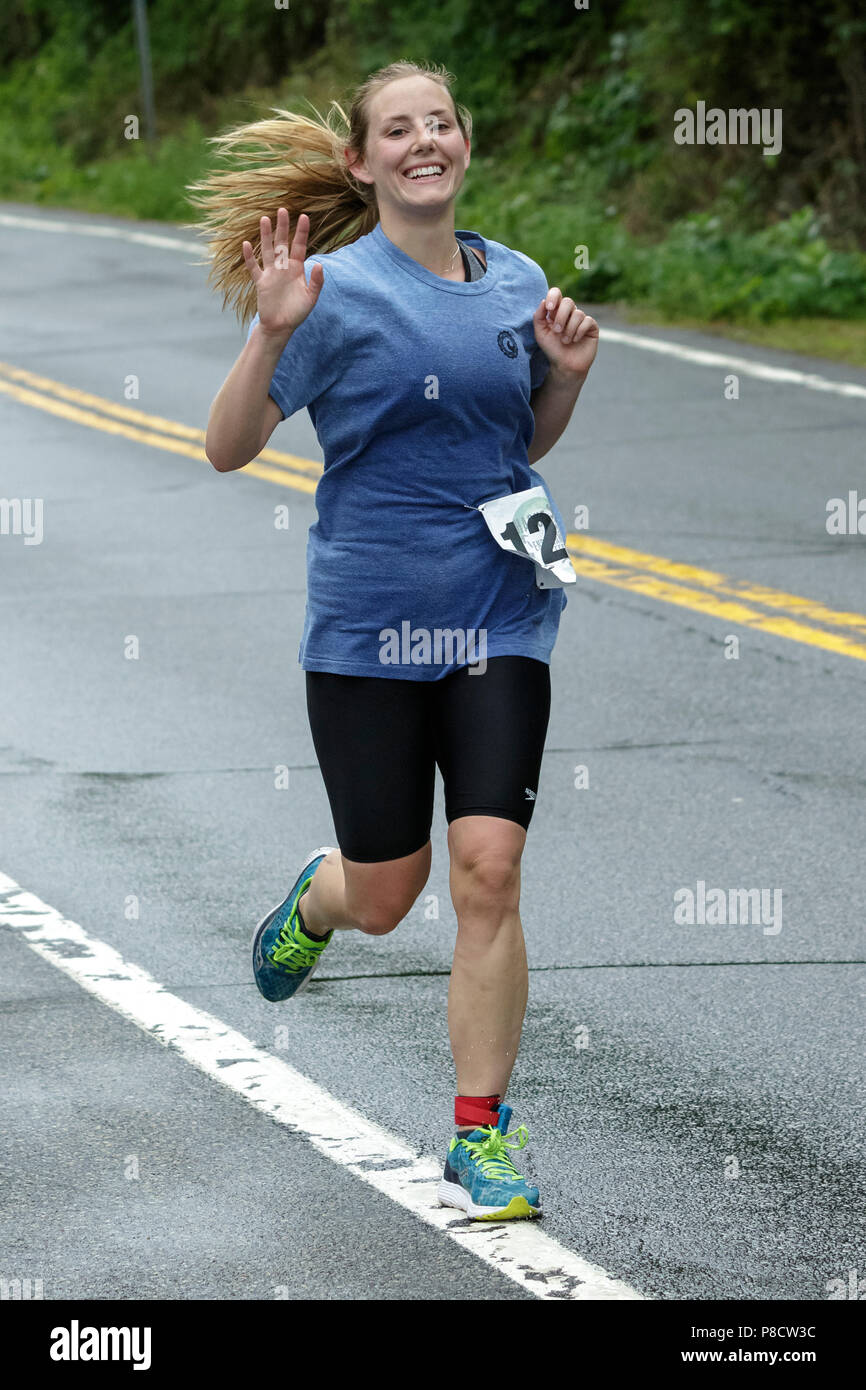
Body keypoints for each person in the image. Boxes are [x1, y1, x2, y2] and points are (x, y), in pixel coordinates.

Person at [192, 59, 598, 1221]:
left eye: (442, 122)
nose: (426, 140)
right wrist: (270, 337)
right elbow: (225, 447)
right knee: (386, 889)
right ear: (363, 163)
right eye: (398, 128)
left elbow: (515, 439)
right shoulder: (326, 293)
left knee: (488, 866)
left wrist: (561, 380)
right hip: (368, 629)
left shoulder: (514, 281)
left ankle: (480, 1133)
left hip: (498, 612)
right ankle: (315, 906)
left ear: (463, 145)